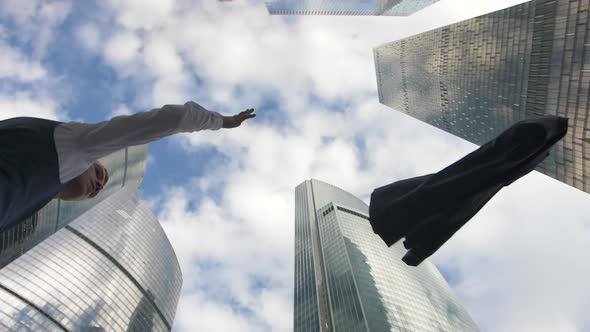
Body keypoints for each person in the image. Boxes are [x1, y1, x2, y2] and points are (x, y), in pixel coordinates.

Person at [0, 101, 255, 232]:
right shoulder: (74, 144)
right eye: (99, 172)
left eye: (100, 186)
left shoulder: (32, 197)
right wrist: (223, 121)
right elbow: (172, 118)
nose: (98, 186)